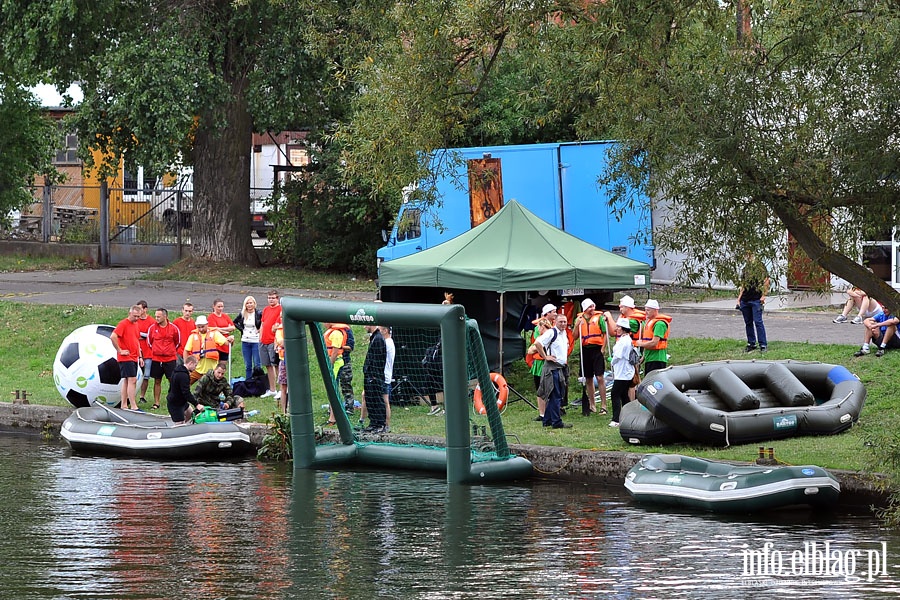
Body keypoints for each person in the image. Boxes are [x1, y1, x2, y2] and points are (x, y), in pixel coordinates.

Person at [572, 298, 613, 416]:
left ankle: (604, 405)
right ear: (585, 309)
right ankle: (592, 404)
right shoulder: (579, 319)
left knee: (600, 377)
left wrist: (603, 348)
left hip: (597, 349)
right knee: (588, 378)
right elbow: (574, 337)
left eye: (593, 306)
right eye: (590, 307)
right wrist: (576, 326)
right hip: (585, 350)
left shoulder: (599, 318)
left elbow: (605, 334)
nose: (592, 309)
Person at [533, 313, 572, 429]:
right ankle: (556, 422)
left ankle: (547, 420)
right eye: (561, 322)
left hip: (560, 367)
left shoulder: (563, 333)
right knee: (555, 395)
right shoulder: (552, 332)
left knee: (556, 394)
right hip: (552, 368)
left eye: (565, 322)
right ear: (555, 322)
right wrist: (545, 356)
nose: (563, 324)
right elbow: (537, 343)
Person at [147, 307, 180, 410]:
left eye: (158, 316)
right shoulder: (152, 328)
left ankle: (174, 400)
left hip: (170, 359)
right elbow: (149, 342)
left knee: (172, 380)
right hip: (156, 359)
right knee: (157, 381)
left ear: (165, 316)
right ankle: (156, 402)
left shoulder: (174, 328)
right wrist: (157, 351)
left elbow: (178, 342)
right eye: (155, 316)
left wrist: (169, 351)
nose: (156, 318)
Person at [110, 304, 143, 410]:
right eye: (135, 316)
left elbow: (136, 341)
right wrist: (120, 350)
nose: (137, 318)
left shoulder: (136, 324)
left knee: (127, 380)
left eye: (138, 316)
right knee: (132, 380)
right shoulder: (123, 324)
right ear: (130, 313)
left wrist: (140, 357)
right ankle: (133, 405)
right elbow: (113, 336)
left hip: (134, 357)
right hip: (126, 357)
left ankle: (124, 404)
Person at [183, 315, 232, 384]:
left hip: (211, 370)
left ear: (207, 324)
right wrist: (186, 365)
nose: (201, 329)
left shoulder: (215, 334)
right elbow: (186, 350)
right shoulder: (193, 336)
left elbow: (227, 343)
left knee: (212, 389)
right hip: (196, 369)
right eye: (199, 327)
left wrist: (230, 340)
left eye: (203, 327)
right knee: (185, 384)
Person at [736, 258, 770, 352]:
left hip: (756, 299)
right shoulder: (745, 269)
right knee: (748, 323)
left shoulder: (760, 267)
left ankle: (763, 344)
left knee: (758, 322)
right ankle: (751, 343)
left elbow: (766, 280)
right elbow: (743, 285)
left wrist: (763, 295)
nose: (748, 257)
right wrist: (739, 298)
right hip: (745, 300)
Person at [609, 317, 637, 429]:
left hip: (623, 373)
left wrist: (612, 361)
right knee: (623, 395)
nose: (617, 329)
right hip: (625, 371)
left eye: (619, 327)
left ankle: (616, 419)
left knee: (615, 393)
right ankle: (628, 415)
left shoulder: (624, 341)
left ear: (623, 328)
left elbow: (618, 356)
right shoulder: (627, 339)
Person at [362, 324, 388, 433]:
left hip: (375, 376)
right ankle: (373, 423)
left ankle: (380, 424)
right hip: (370, 375)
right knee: (370, 399)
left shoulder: (378, 339)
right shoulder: (374, 337)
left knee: (377, 399)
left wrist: (373, 375)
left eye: (365, 325)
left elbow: (378, 359)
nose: (364, 327)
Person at [324, 322, 355, 412]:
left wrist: (338, 347)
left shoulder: (346, 331)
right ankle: (333, 408)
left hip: (344, 361)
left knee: (346, 383)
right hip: (335, 360)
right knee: (334, 385)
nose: (324, 324)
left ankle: (349, 406)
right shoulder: (331, 332)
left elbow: (350, 347)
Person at [636, 299, 671, 375]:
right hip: (649, 358)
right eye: (645, 310)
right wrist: (644, 357)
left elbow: (654, 342)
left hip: (657, 359)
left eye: (648, 310)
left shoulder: (659, 324)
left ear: (655, 310)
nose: (646, 312)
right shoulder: (649, 322)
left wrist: (641, 344)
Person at [233, 295, 262, 381]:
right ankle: (248, 381)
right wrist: (242, 330)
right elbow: (234, 322)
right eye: (247, 303)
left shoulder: (259, 313)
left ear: (254, 304)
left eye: (251, 303)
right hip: (245, 340)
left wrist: (260, 329)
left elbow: (264, 322)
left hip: (256, 340)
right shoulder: (242, 314)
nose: (249, 305)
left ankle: (258, 381)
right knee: (247, 365)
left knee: (257, 363)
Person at [259, 290, 282, 398]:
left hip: (273, 341)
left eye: (273, 298)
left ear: (277, 298)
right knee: (267, 365)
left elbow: (278, 325)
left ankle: (281, 388)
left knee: (276, 365)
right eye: (269, 298)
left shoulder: (280, 309)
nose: (271, 300)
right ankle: (272, 389)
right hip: (264, 340)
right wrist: (260, 337)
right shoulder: (266, 309)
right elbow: (263, 324)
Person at [167, 354, 198, 423]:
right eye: (195, 365)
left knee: (190, 414)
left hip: (181, 402)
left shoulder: (178, 371)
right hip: (175, 404)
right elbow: (186, 393)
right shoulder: (183, 376)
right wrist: (197, 404)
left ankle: (185, 425)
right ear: (190, 363)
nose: (195, 368)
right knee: (179, 425)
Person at [136, 299, 153, 404]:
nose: (138, 311)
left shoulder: (151, 321)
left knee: (146, 376)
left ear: (145, 309)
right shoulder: (135, 320)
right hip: (136, 352)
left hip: (148, 353)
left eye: (140, 309)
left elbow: (152, 335)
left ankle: (142, 396)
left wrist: (142, 335)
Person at [207, 298, 236, 363]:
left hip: (225, 344)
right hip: (216, 345)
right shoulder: (211, 317)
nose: (220, 308)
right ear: (214, 306)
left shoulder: (225, 316)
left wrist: (220, 329)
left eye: (222, 306)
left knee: (223, 365)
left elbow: (233, 327)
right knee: (215, 366)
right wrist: (227, 330)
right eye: (218, 307)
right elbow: (214, 330)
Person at [381, 325, 395, 433]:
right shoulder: (388, 342)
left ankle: (386, 425)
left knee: (385, 401)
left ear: (385, 330)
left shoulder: (387, 343)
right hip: (385, 375)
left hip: (384, 376)